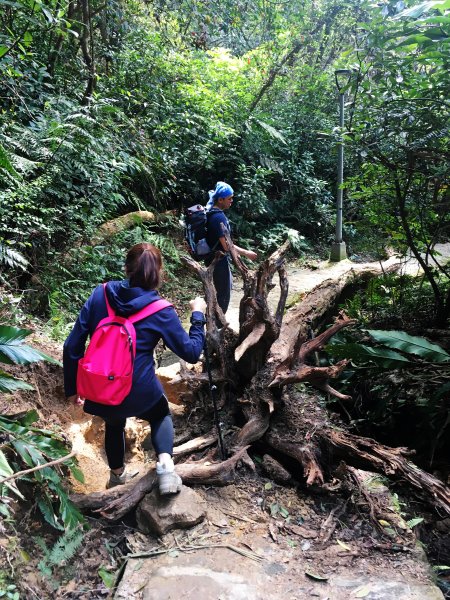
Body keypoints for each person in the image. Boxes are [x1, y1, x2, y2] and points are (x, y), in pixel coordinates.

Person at [63, 242, 206, 492]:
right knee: (160, 413)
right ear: (159, 274)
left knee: (114, 422)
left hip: (102, 387)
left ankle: (117, 475)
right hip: (139, 390)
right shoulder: (161, 310)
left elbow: (72, 345)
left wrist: (72, 387)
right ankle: (165, 469)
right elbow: (192, 353)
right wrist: (198, 315)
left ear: (126, 267)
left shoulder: (100, 294)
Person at [205, 181, 258, 314]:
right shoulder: (218, 218)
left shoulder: (212, 213)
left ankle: (216, 322)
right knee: (224, 294)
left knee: (222, 291)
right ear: (220, 199)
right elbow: (226, 245)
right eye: (229, 198)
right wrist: (246, 253)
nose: (231, 201)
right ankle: (217, 326)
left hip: (213, 258)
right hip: (218, 260)